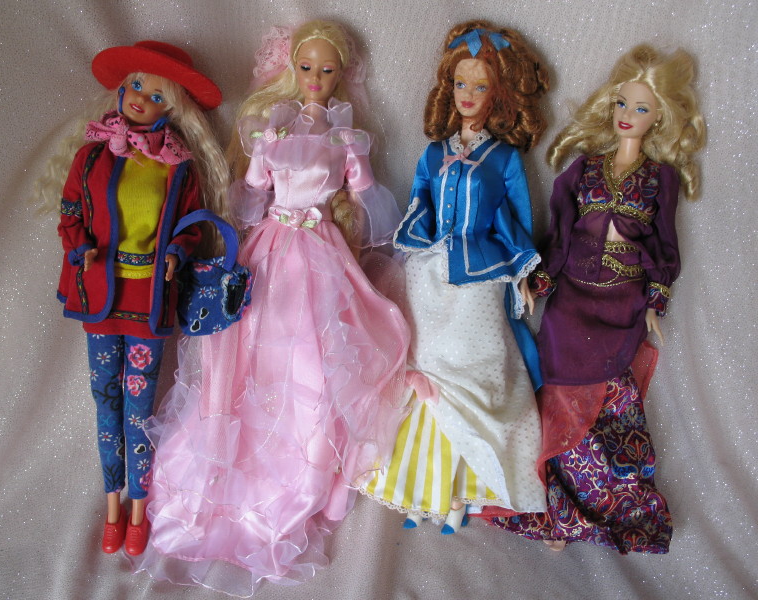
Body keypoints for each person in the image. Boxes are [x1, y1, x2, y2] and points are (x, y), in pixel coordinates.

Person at [132, 21, 410, 594]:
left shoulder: (345, 137)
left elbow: (368, 197)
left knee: (313, 357)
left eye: (326, 69)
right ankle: (224, 470)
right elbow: (250, 196)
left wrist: (352, 173)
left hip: (321, 251)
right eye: (306, 67)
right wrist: (260, 161)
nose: (315, 78)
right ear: (292, 67)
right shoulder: (271, 125)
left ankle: (307, 473)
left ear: (341, 74)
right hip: (270, 249)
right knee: (250, 348)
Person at [488, 44, 706, 554]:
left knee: (610, 404)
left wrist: (655, 301)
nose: (628, 115)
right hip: (570, 300)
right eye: (622, 103)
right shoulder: (584, 168)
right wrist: (538, 284)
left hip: (622, 302)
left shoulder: (660, 178)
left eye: (641, 108)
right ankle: (557, 512)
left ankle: (609, 508)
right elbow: (560, 236)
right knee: (558, 400)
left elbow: (664, 245)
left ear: (659, 117)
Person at [36, 40, 229, 556]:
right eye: (137, 86)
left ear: (173, 109)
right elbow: (70, 212)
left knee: (139, 408)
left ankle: (139, 508)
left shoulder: (177, 166)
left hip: (148, 299)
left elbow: (190, 226)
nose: (142, 98)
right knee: (105, 401)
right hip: (100, 292)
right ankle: (111, 506)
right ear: (122, 89)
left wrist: (178, 254)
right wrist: (78, 247)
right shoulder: (92, 155)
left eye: (158, 96)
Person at [360, 20, 548, 534]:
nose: (468, 95)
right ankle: (415, 484)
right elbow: (418, 202)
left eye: (480, 86)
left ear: (499, 95)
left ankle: (466, 489)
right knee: (421, 364)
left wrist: (522, 275)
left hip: (480, 273)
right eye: (460, 83)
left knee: (471, 368)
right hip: (428, 268)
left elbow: (517, 218)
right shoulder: (433, 152)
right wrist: (417, 240)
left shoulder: (504, 158)